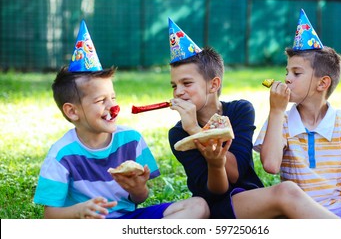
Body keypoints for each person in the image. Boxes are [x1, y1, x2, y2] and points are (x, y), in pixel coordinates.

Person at [33, 20, 209, 219]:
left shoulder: (131, 140)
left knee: (198, 206)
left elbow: (139, 199)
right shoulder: (61, 155)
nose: (113, 107)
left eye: (113, 98)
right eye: (101, 100)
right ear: (72, 112)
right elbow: (49, 216)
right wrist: (79, 211)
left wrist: (138, 188)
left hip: (127, 220)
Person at [167, 18, 338, 219]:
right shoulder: (178, 134)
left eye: (186, 83)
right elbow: (217, 191)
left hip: (252, 197)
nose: (178, 92)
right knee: (286, 192)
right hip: (216, 210)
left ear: (213, 85)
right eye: (174, 86)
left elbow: (237, 171)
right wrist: (194, 131)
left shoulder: (240, 110)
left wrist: (197, 131)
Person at [254, 9, 341, 219]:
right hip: (301, 211)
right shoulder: (281, 120)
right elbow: (271, 166)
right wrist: (277, 110)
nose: (287, 79)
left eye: (296, 73)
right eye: (286, 72)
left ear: (323, 83)